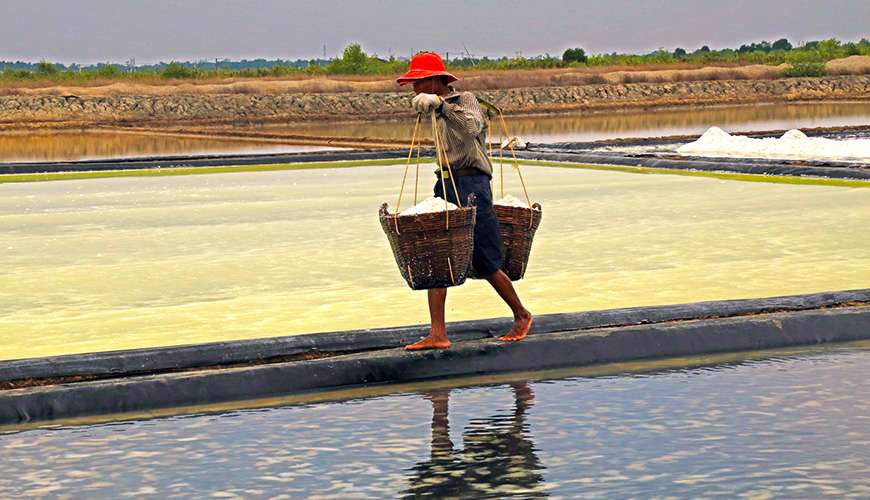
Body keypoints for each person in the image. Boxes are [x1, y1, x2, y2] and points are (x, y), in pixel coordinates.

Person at [396, 52, 533, 351]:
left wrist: (443, 106)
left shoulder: (465, 100)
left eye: (418, 82)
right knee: (437, 253)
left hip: (472, 183)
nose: (414, 89)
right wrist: (434, 109)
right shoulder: (432, 109)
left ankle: (522, 315)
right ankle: (438, 333)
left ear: (436, 81)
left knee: (484, 258)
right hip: (445, 181)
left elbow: (471, 128)